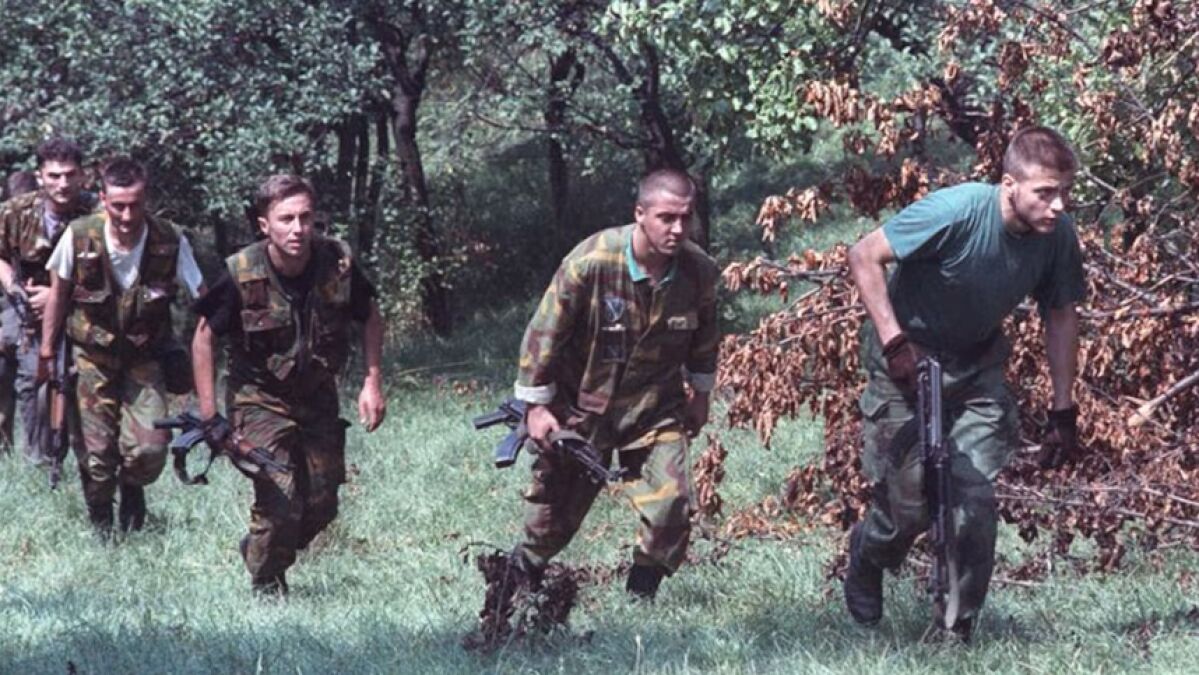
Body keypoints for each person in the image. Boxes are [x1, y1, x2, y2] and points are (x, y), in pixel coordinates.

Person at [843, 126, 1086, 642]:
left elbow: (1061, 315)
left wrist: (1063, 409)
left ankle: (955, 626)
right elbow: (864, 255)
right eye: (1045, 192)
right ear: (1009, 185)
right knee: (908, 505)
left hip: (976, 368)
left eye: (1065, 191)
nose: (1058, 205)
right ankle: (868, 554)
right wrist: (895, 344)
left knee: (972, 501)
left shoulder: (1057, 235)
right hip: (904, 364)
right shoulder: (956, 212)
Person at [499, 168, 719, 601]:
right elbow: (544, 334)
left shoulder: (699, 272)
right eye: (666, 218)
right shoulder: (591, 262)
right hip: (580, 411)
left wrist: (702, 394)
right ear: (640, 214)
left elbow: (706, 336)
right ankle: (516, 592)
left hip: (655, 409)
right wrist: (536, 407)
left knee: (672, 507)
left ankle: (640, 600)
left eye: (686, 217)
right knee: (550, 521)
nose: (678, 229)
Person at [191, 174, 386, 596]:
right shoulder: (241, 272)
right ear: (265, 225)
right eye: (286, 219)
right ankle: (267, 583)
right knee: (280, 495)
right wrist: (210, 415)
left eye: (306, 217)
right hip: (258, 397)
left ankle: (262, 549)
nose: (298, 229)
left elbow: (370, 316)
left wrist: (372, 382)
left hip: (316, 395)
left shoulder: (337, 263)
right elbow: (204, 337)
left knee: (322, 503)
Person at [39, 156, 205, 535]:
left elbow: (203, 296)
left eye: (135, 205)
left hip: (144, 357)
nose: (127, 216)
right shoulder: (79, 236)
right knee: (97, 454)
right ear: (103, 199)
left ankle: (132, 488)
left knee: (150, 449)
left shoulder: (169, 239)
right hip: (92, 358)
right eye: (118, 206)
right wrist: (47, 352)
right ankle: (101, 518)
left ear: (146, 199)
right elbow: (58, 296)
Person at [0, 139, 99, 462]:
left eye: (70, 175)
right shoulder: (16, 212)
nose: (63, 184)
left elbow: (115, 268)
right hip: (25, 305)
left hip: (86, 306)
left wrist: (59, 297)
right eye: (54, 176)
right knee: (33, 376)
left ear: (82, 175)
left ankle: (86, 458)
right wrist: (13, 285)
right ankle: (38, 459)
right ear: (40, 176)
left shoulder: (99, 213)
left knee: (75, 378)